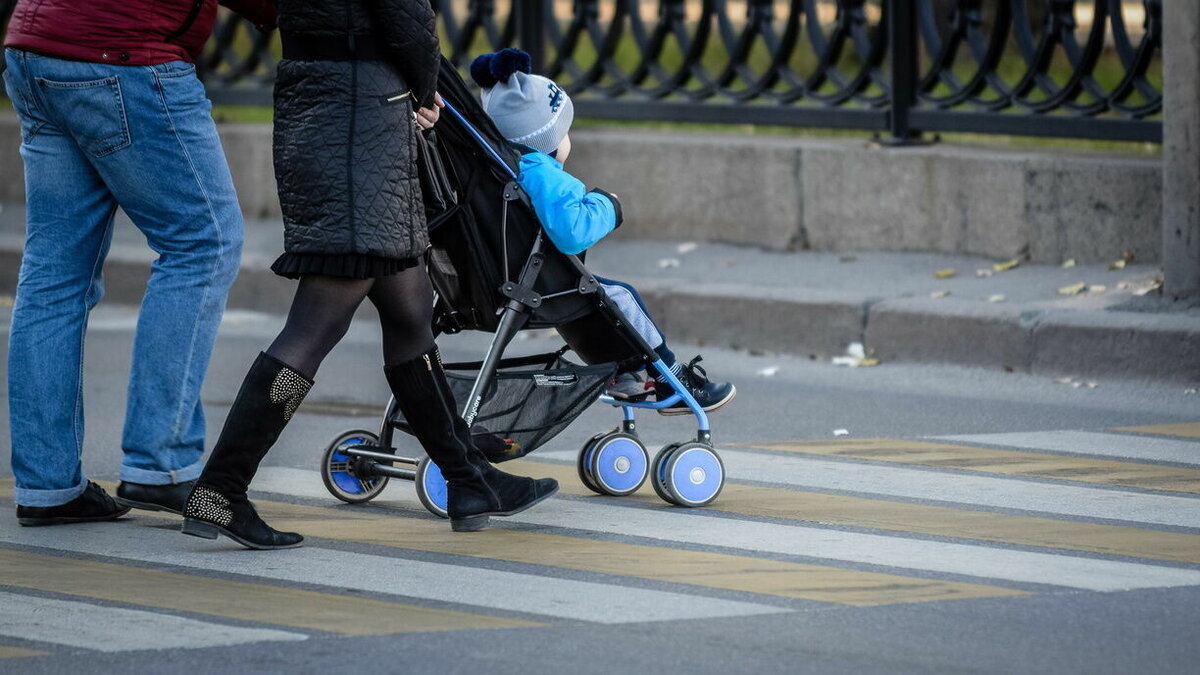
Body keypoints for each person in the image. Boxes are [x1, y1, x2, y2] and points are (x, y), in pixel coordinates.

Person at [180, 0, 558, 550]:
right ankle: (220, 489)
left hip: (329, 110)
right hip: (362, 127)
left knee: (409, 309)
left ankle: (469, 480)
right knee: (315, 327)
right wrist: (426, 89)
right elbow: (406, 20)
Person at [3, 0, 276, 526]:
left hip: (37, 46)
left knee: (54, 273)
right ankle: (162, 464)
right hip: (122, 52)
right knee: (203, 242)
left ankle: (47, 486)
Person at [470, 49, 736, 416]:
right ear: (548, 139)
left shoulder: (499, 167)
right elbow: (571, 232)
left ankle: (623, 375)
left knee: (595, 299)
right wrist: (608, 206)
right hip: (534, 284)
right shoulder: (544, 174)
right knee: (620, 298)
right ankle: (674, 379)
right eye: (565, 130)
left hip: (501, 278)